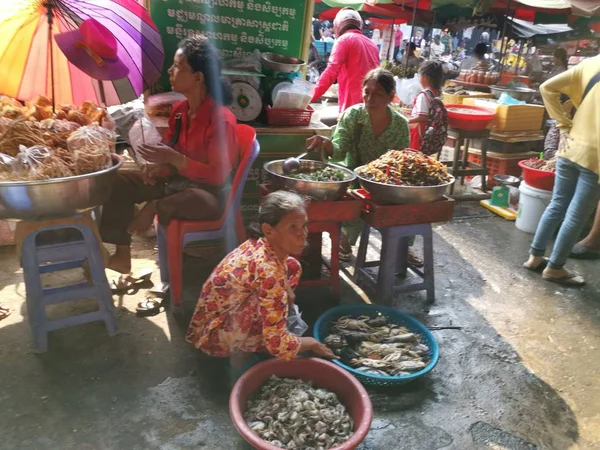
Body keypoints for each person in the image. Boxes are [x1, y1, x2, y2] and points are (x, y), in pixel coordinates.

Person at [100, 36, 238, 292]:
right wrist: (160, 167)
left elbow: (218, 177)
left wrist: (172, 166)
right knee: (117, 180)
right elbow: (173, 158)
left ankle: (154, 208)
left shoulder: (221, 120)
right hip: (176, 184)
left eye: (177, 66)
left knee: (187, 196)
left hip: (209, 195)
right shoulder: (179, 111)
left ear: (197, 77)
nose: (170, 72)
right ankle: (121, 255)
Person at [186, 191, 335, 364]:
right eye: (293, 227)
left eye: (304, 225)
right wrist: (310, 343)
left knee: (293, 266)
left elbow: (276, 275)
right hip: (214, 336)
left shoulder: (258, 244)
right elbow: (277, 345)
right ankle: (245, 350)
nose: (303, 234)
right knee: (275, 330)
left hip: (218, 315)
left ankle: (270, 326)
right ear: (268, 230)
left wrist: (283, 291)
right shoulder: (269, 272)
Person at [306, 69, 410, 261]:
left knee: (408, 208)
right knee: (353, 203)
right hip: (353, 178)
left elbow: (401, 161)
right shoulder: (352, 115)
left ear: (390, 97)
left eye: (378, 94)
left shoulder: (400, 125)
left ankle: (403, 244)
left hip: (385, 182)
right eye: (367, 92)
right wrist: (326, 143)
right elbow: (339, 150)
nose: (370, 98)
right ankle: (345, 240)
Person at [523, 55, 600, 285]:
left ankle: (535, 257)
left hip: (569, 146)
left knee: (557, 204)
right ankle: (555, 268)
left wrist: (563, 124)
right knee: (576, 216)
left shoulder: (589, 63)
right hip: (595, 158)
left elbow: (547, 88)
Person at [312, 8, 380, 114]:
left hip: (352, 108)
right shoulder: (372, 44)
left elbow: (331, 72)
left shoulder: (344, 40)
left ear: (338, 26)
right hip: (372, 106)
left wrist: (310, 96)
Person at [408, 61, 444, 151]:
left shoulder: (423, 95)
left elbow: (422, 117)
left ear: (425, 77)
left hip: (419, 134)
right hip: (428, 135)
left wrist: (406, 120)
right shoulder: (436, 93)